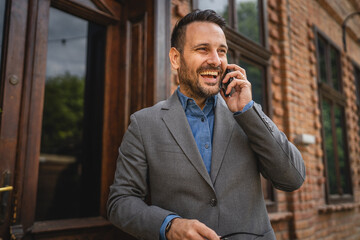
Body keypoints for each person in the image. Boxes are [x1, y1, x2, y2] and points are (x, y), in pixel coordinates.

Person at [107, 9, 305, 240]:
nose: (215, 60)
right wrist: (170, 225)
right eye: (203, 49)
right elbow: (120, 202)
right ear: (176, 58)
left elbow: (292, 179)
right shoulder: (143, 124)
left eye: (222, 51)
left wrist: (248, 111)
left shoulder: (247, 115)